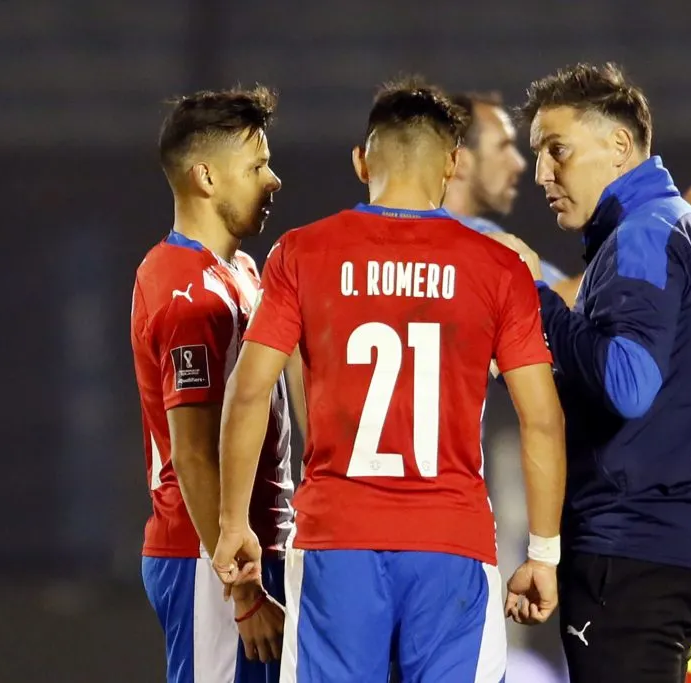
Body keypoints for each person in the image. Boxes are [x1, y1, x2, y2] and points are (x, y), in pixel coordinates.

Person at [212, 77, 568, 683]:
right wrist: (542, 554)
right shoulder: (498, 266)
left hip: (336, 540)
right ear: (453, 163)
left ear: (360, 162)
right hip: (451, 543)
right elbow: (542, 417)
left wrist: (232, 525)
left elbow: (249, 392)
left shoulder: (301, 253)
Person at [491, 62, 691, 682]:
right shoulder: (674, 227)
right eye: (538, 155)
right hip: (682, 541)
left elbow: (628, 386)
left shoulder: (642, 234)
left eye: (558, 150)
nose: (544, 174)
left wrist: (539, 299)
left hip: (636, 546)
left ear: (619, 146)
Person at [130, 85, 293, 682]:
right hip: (211, 560)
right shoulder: (187, 295)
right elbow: (192, 451)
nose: (273, 179)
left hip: (251, 548)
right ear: (205, 176)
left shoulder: (241, 271)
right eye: (256, 166)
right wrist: (242, 592)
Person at [444, 91, 691, 305]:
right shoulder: (466, 245)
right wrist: (667, 228)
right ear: (462, 159)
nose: (520, 164)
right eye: (502, 146)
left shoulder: (431, 237)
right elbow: (554, 306)